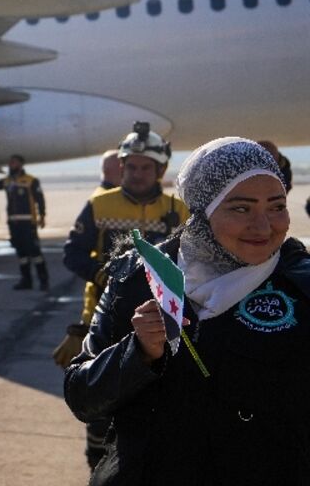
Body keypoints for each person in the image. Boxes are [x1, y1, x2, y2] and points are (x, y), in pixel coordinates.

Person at [64, 137, 308, 484]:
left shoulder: (300, 286)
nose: (265, 226)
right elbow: (82, 397)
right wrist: (139, 352)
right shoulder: (138, 276)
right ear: (204, 210)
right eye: (241, 208)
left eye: (276, 206)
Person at [56, 124, 188, 470]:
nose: (138, 174)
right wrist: (105, 275)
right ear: (121, 167)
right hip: (105, 320)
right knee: (100, 418)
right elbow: (73, 253)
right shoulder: (99, 205)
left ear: (160, 170)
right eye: (131, 166)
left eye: (146, 167)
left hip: (164, 326)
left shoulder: (180, 209)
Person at [0, 155, 48, 290]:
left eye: (13, 163)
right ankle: (26, 281)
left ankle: (43, 280)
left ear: (20, 165)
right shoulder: (7, 181)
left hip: (27, 222)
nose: (10, 165)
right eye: (10, 163)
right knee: (21, 253)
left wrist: (42, 215)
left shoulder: (31, 181)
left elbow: (39, 199)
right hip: (14, 223)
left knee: (35, 252)